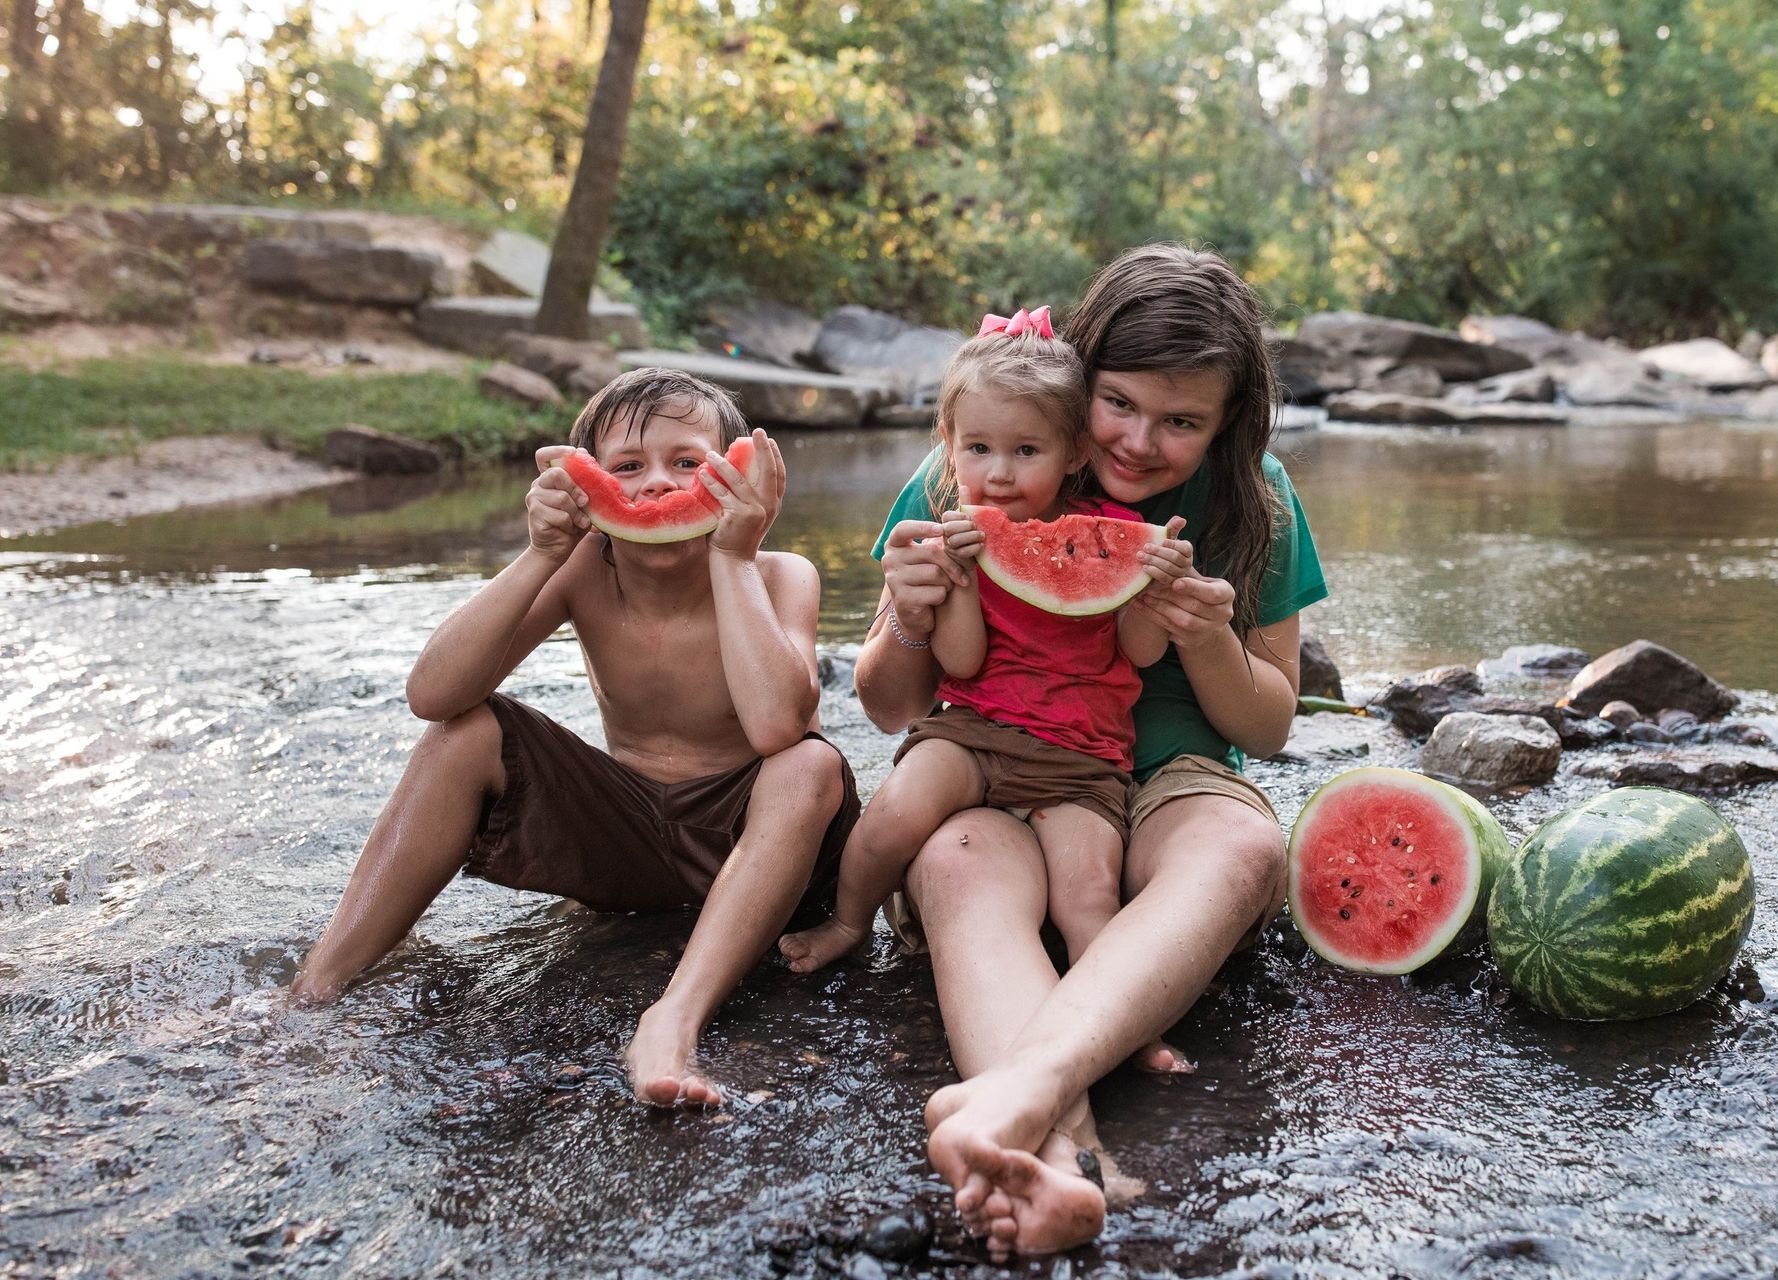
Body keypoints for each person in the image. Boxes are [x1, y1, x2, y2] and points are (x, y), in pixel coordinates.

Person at [856, 247, 1328, 1257]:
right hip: (996, 759)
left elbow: (1271, 726)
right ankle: (1071, 1162)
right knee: (950, 858)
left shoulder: (1261, 497)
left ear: (1228, 423)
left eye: (1183, 422)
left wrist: (1205, 635)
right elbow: (890, 709)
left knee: (1245, 851)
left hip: (1166, 780)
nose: (1141, 443)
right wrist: (908, 610)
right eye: (1117, 404)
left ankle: (1015, 1094)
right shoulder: (983, 455)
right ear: (1076, 383)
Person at [290, 368, 859, 1109]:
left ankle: (671, 1022)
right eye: (626, 468)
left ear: (737, 476)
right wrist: (539, 553)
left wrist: (732, 556)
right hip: (624, 843)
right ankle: (316, 988)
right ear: (587, 485)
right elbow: (432, 695)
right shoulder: (582, 570)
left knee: (808, 764)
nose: (657, 485)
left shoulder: (780, 573)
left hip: (755, 845)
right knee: (464, 732)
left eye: (688, 463)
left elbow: (778, 724)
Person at [777, 306, 1194, 976]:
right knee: (893, 813)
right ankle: (848, 922)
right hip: (974, 732)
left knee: (1087, 897)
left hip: (1083, 758)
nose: (999, 473)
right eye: (979, 449)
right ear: (948, 443)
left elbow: (1141, 652)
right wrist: (963, 577)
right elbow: (962, 662)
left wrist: (1149, 589)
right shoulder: (953, 535)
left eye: (1026, 451)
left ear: (1075, 452)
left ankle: (1121, 1018)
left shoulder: (1114, 530)